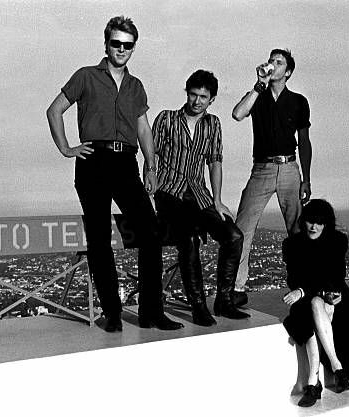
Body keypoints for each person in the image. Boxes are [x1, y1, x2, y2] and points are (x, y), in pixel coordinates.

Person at [46, 16, 183, 333]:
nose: (121, 49)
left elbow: (143, 128)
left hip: (127, 163)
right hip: (93, 160)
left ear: (134, 48)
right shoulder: (86, 77)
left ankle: (151, 312)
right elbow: (54, 110)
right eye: (116, 43)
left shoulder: (136, 86)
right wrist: (66, 148)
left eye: (128, 45)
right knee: (98, 240)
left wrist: (151, 165)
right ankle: (113, 315)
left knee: (150, 233)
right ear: (106, 44)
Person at [152, 70, 249, 326]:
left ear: (212, 99)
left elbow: (215, 161)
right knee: (189, 238)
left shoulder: (213, 124)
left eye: (203, 97)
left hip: (199, 194)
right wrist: (149, 191)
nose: (197, 101)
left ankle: (224, 301)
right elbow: (153, 159)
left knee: (234, 236)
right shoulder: (166, 119)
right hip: (168, 192)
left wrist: (217, 200)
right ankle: (198, 306)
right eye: (193, 95)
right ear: (187, 93)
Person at [231, 48, 312, 308]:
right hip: (262, 169)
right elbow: (237, 113)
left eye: (279, 62)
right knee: (242, 227)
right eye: (271, 61)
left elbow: (305, 141)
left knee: (298, 230)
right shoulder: (259, 96)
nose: (272, 65)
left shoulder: (299, 101)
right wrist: (258, 85)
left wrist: (306, 179)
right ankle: (235, 288)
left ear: (287, 72)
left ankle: (304, 285)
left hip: (289, 167)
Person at [281, 199, 349, 407]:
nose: (313, 227)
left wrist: (305, 290)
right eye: (310, 222)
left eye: (319, 223)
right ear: (303, 222)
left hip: (332, 294)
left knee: (314, 304)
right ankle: (336, 366)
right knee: (311, 307)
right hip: (307, 298)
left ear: (327, 224)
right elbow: (294, 279)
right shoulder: (293, 244)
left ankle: (313, 385)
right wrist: (306, 290)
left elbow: (335, 276)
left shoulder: (337, 241)